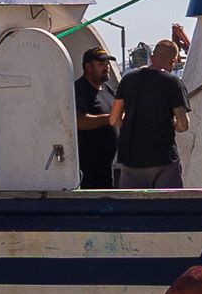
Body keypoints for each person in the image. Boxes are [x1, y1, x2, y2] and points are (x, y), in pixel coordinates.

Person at [111, 29, 190, 189]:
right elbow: (183, 125)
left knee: (133, 210)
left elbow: (114, 119)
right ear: (173, 61)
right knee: (167, 208)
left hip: (130, 160)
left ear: (152, 57)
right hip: (163, 160)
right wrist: (169, 122)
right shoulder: (173, 83)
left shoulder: (128, 79)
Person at [73, 43, 122, 190]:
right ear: (88, 67)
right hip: (87, 167)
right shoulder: (79, 90)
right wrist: (110, 118)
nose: (106, 67)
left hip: (107, 165)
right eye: (101, 63)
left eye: (107, 63)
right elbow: (79, 121)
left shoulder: (107, 89)